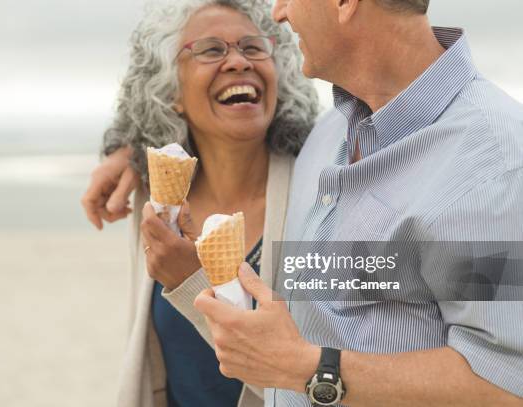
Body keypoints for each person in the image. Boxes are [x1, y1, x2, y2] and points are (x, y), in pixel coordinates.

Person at [88, 0, 523, 406]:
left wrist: (313, 369)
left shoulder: (492, 163)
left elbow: (509, 382)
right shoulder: (326, 139)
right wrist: (129, 149)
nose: (278, 12)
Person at [81, 0, 319, 406]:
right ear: (170, 90)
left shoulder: (318, 193)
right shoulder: (156, 202)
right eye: (211, 50)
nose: (238, 62)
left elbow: (306, 379)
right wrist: (130, 149)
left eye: (254, 47)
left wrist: (190, 280)